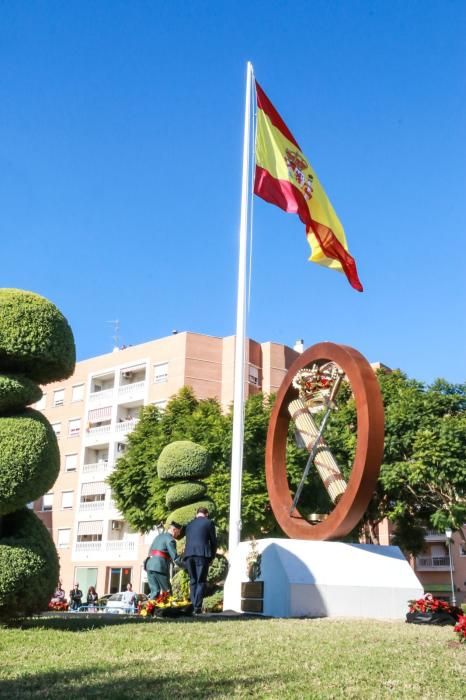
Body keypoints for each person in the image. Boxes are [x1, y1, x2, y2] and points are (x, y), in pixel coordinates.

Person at [184, 507, 217, 615]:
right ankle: (197, 607)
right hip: (201, 555)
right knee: (201, 581)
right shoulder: (209, 523)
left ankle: (193, 605)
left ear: (197, 513)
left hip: (188, 555)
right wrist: (212, 557)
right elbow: (213, 542)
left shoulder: (189, 525)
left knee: (193, 580)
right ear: (206, 514)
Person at [146, 522, 182, 599]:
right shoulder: (170, 540)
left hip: (149, 565)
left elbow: (149, 551)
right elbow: (175, 558)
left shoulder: (158, 537)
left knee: (154, 592)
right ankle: (169, 611)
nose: (179, 534)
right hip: (160, 567)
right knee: (167, 592)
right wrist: (186, 566)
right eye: (179, 532)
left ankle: (150, 610)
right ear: (174, 530)